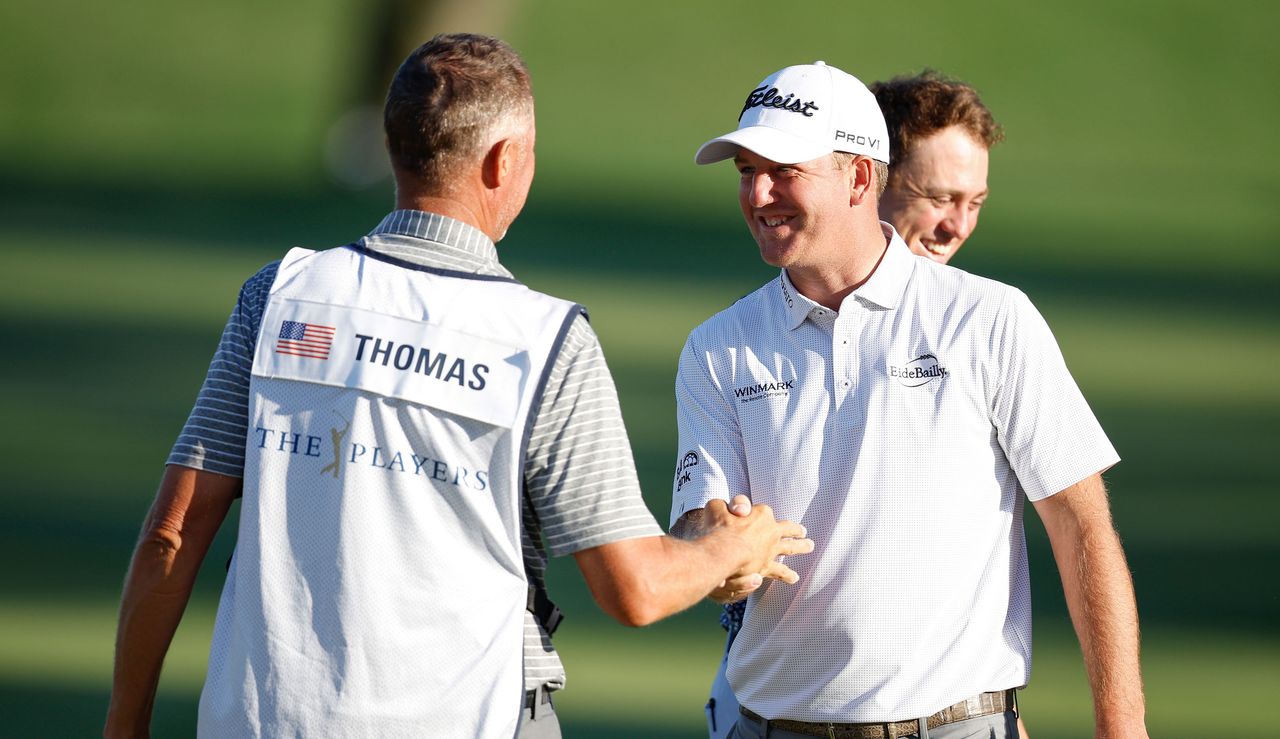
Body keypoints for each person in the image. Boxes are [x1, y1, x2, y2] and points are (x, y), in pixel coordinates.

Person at [103, 34, 812, 739]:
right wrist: (730, 549)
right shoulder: (545, 341)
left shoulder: (279, 296)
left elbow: (173, 531)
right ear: (505, 161)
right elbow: (635, 589)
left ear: (393, 145)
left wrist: (126, 724)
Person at [672, 61, 1147, 739]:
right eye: (747, 171)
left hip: (956, 725)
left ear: (860, 177)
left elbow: (1081, 526)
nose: (758, 192)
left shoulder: (989, 319)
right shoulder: (717, 347)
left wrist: (1122, 725)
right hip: (768, 725)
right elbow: (696, 525)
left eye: (783, 170)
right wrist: (713, 553)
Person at [698, 70, 1018, 739]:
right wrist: (718, 550)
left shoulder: (986, 319)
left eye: (975, 201)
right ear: (869, 181)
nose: (956, 224)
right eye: (937, 196)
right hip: (770, 707)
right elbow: (709, 535)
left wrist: (989, 713)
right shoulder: (732, 340)